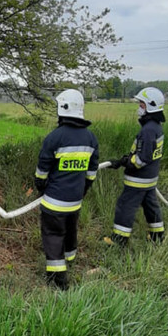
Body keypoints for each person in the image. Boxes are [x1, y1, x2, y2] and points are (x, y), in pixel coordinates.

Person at [34, 89, 99, 290]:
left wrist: (40, 187)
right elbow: (92, 172)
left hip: (54, 201)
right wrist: (83, 189)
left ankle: (57, 277)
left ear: (62, 108)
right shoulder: (90, 138)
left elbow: (42, 171)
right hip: (75, 200)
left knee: (53, 234)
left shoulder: (55, 137)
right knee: (70, 229)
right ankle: (70, 257)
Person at [106, 87, 166, 246]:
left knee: (125, 206)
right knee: (151, 206)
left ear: (150, 106)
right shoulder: (156, 127)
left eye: (141, 104)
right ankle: (157, 236)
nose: (139, 108)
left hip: (138, 180)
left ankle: (119, 239)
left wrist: (125, 162)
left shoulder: (147, 130)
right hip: (150, 178)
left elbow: (141, 159)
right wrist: (125, 159)